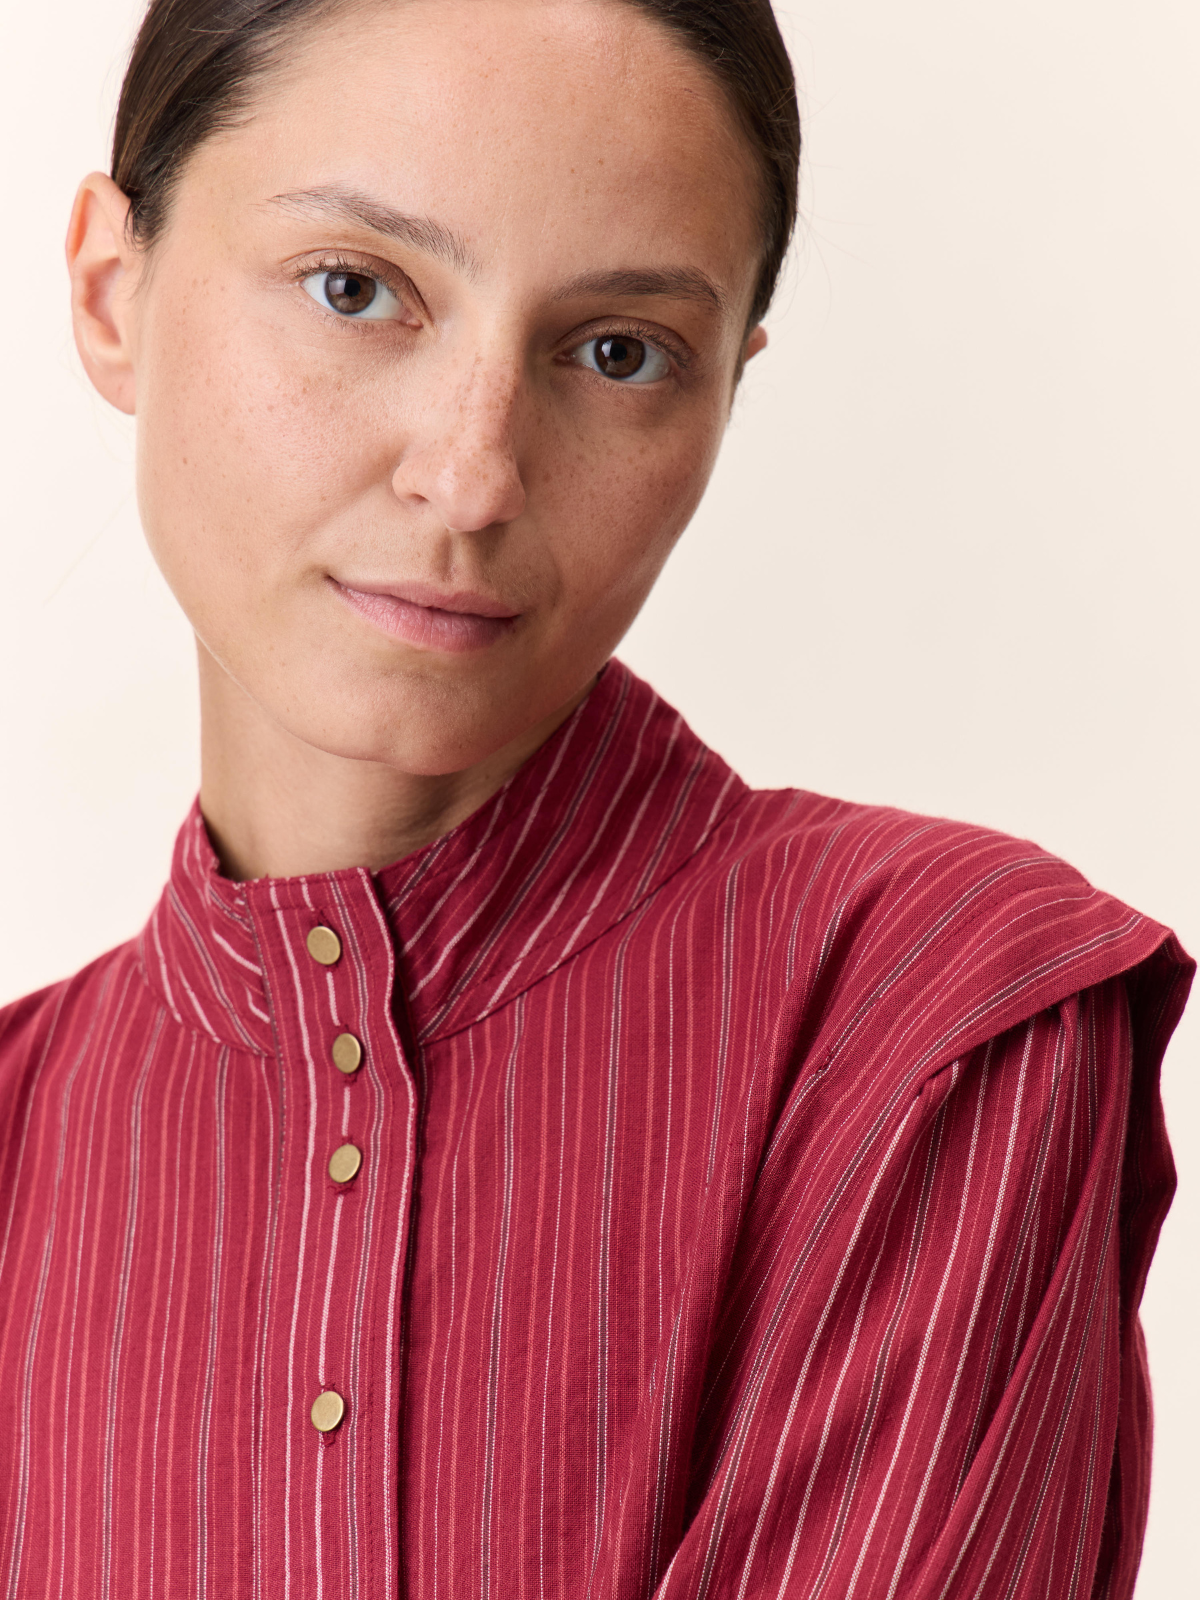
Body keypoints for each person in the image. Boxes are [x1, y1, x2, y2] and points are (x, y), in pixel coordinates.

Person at [0, 0, 1190, 1595]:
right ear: (109, 291)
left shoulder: (933, 1011)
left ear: (724, 395)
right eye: (356, 288)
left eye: (619, 352)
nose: (473, 474)